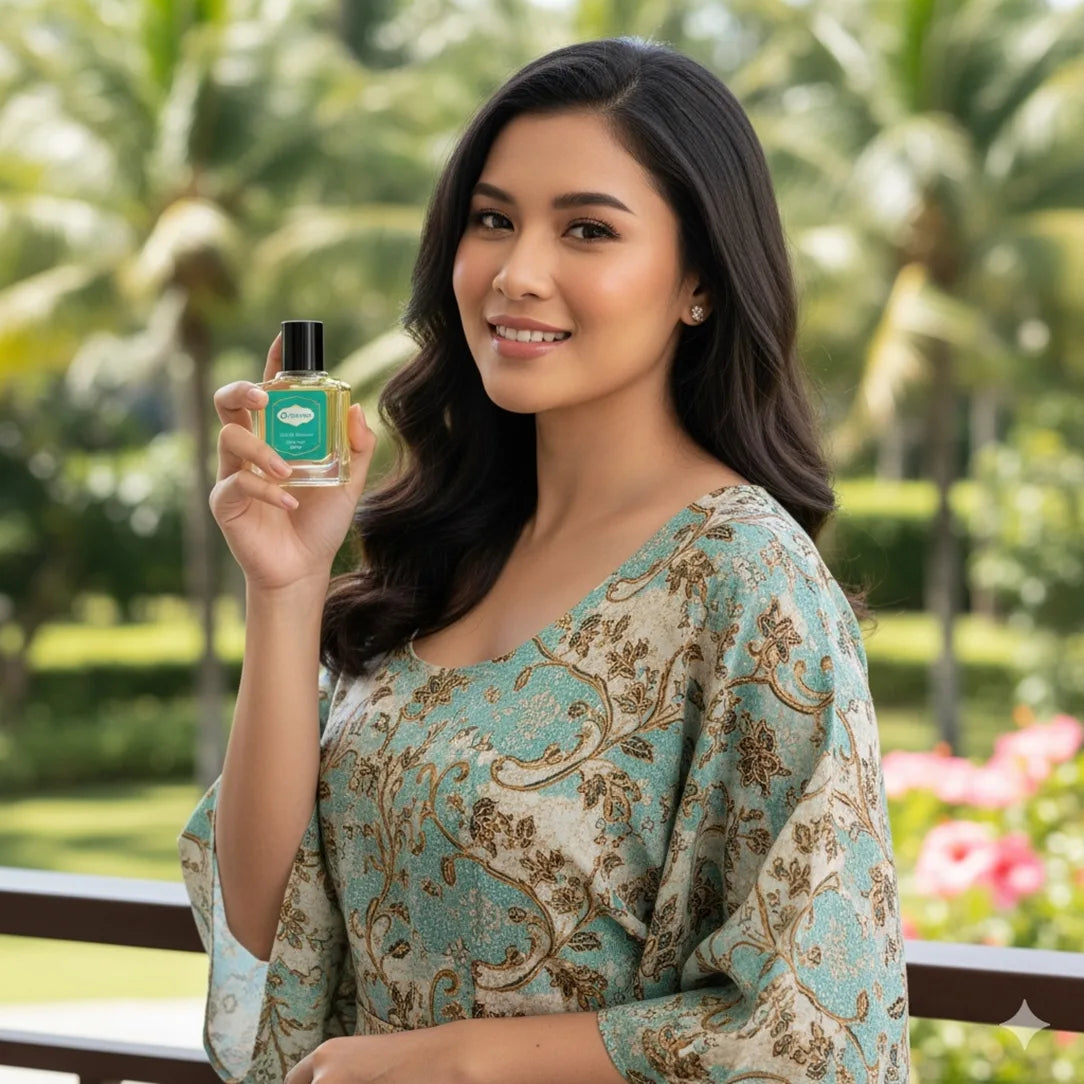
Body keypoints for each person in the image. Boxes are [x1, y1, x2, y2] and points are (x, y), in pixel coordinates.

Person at [179, 35, 910, 1084]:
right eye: (492, 220)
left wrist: (470, 1060)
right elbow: (269, 931)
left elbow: (816, 1027)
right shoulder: (446, 551)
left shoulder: (744, 577)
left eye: (587, 229)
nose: (518, 274)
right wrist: (286, 588)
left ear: (697, 281)